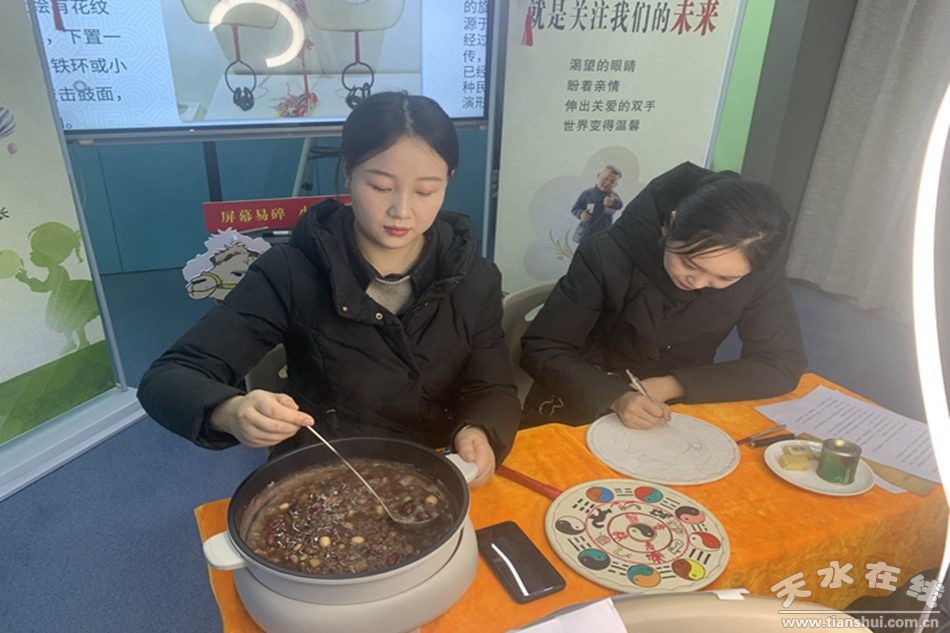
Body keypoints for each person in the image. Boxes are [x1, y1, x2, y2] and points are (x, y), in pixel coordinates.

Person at [138, 92, 520, 486]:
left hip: (434, 470)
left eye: (425, 191)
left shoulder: (473, 277)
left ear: (447, 181)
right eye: (381, 186)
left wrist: (480, 429)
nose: (402, 211)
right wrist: (231, 411)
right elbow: (169, 376)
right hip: (328, 471)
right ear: (348, 171)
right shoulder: (291, 272)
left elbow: (492, 386)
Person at [521, 161, 806, 429]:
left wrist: (674, 384)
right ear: (670, 225)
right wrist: (615, 396)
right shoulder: (607, 252)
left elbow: (781, 363)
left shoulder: (758, 268)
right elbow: (543, 346)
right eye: (690, 263)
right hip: (584, 392)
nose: (698, 283)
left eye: (725, 278)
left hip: (681, 402)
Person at [571, 165, 623, 244]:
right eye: (605, 178)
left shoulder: (613, 197)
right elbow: (575, 208)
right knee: (583, 247)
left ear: (615, 185)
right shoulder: (587, 193)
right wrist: (581, 214)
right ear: (598, 176)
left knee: (600, 248)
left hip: (603, 230)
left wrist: (613, 202)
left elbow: (620, 205)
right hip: (586, 229)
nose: (607, 183)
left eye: (612, 182)